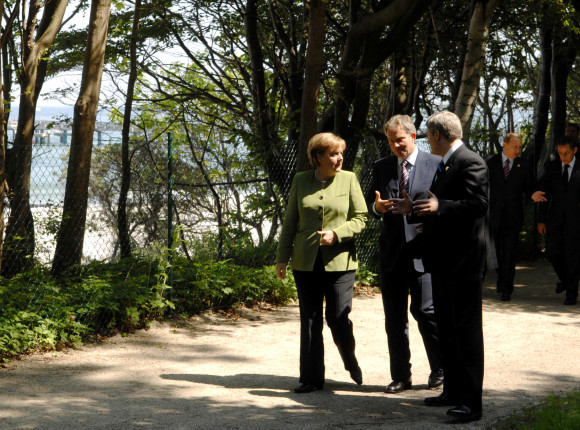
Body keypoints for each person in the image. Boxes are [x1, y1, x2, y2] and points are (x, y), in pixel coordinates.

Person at [391, 111, 488, 423]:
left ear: (436, 135)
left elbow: (478, 205)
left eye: (427, 135)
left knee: (467, 332)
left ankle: (472, 403)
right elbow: (439, 204)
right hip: (444, 261)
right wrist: (415, 209)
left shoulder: (469, 160)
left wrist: (439, 206)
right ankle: (453, 391)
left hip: (464, 262)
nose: (425, 140)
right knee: (447, 328)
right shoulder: (448, 162)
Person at [275, 132, 368, 393]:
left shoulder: (349, 179)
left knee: (338, 318)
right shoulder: (300, 180)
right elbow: (290, 221)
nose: (339, 158)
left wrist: (337, 234)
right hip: (305, 262)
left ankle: (350, 361)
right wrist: (282, 257)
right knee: (310, 319)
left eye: (341, 153)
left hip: (340, 262)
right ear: (317, 157)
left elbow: (361, 217)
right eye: (333, 154)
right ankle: (311, 378)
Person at [365, 114, 443, 394]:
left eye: (399, 139)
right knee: (394, 319)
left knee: (426, 312)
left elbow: (442, 205)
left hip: (424, 252)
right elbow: (370, 206)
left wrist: (421, 213)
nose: (395, 145)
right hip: (393, 254)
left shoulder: (435, 163)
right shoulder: (382, 167)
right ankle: (400, 376)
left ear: (412, 136)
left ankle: (440, 369)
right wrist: (379, 208)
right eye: (390, 141)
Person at [531, 135, 580, 306]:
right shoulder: (551, 167)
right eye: (560, 153)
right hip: (555, 219)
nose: (563, 157)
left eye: (566, 153)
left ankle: (571, 295)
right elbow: (544, 194)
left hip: (576, 220)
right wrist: (541, 220)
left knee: (573, 257)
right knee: (552, 251)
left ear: (575, 150)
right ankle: (566, 281)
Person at [486, 133, 533, 301]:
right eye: (515, 146)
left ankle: (507, 288)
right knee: (497, 254)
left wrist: (533, 195)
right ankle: (501, 277)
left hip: (513, 218)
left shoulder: (524, 165)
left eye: (519, 147)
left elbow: (529, 188)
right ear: (504, 144)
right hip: (495, 216)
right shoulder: (491, 163)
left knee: (509, 254)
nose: (517, 150)